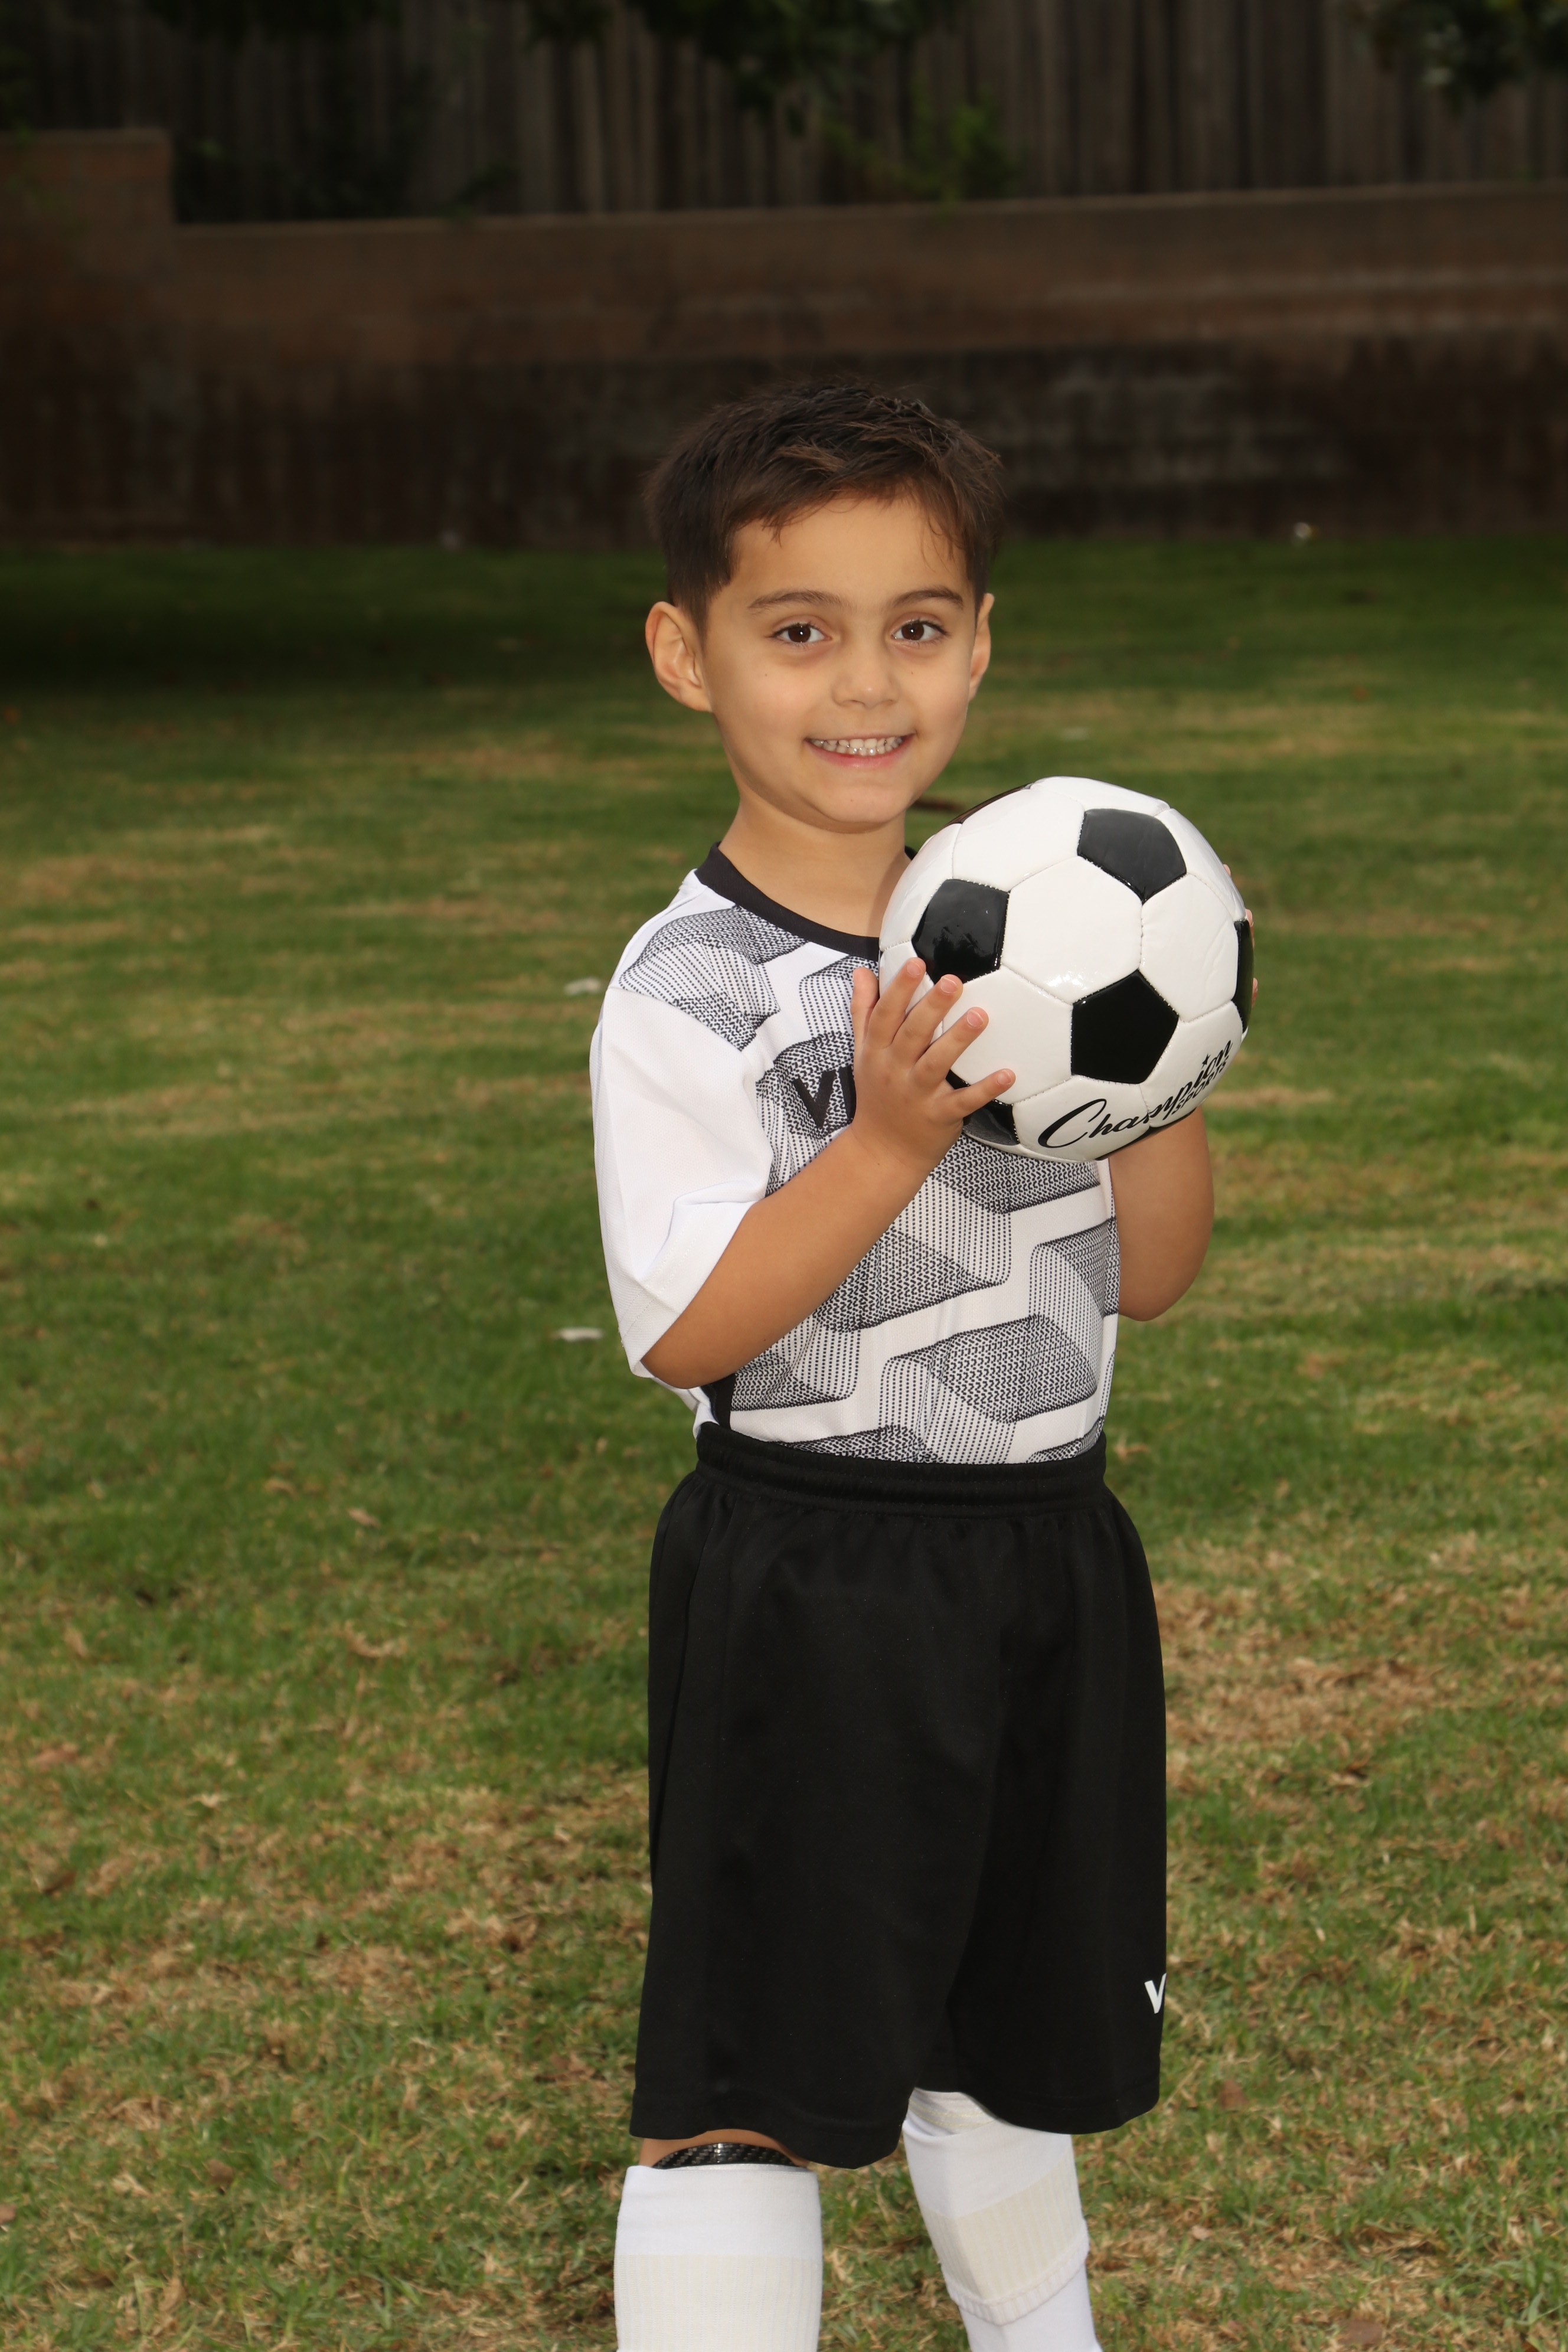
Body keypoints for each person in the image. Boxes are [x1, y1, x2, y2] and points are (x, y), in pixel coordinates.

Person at [590, 381, 1221, 2351]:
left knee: (1006, 2049)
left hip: (1048, 1559)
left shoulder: (1061, 914)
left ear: (980, 646)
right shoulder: (689, 988)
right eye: (801, 630)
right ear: (688, 652)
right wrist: (881, 1145)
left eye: (918, 625)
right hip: (814, 1574)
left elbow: (1158, 1280)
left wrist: (1162, 1060)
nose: (867, 682)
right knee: (747, 2084)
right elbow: (688, 1328)